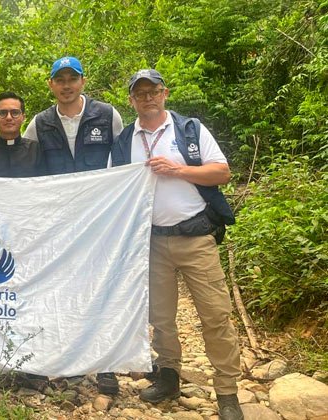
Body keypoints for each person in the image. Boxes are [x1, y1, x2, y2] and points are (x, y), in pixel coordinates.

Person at [110, 69, 243, 420]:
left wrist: (178, 170)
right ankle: (168, 375)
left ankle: (227, 393)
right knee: (162, 317)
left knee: (215, 315)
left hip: (196, 237)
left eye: (153, 91)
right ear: (131, 100)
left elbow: (222, 172)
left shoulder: (190, 130)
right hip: (151, 241)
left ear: (165, 93)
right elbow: (112, 190)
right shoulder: (125, 141)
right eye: (140, 94)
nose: (147, 98)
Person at [23, 56, 124, 395]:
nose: (66, 85)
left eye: (72, 78)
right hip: (58, 226)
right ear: (51, 84)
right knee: (62, 289)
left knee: (104, 287)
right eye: (59, 79)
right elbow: (27, 166)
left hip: (100, 223)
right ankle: (65, 361)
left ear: (82, 81)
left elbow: (124, 164)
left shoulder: (107, 115)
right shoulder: (39, 123)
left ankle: (107, 366)